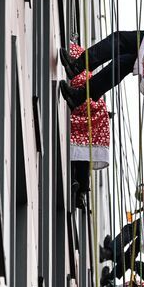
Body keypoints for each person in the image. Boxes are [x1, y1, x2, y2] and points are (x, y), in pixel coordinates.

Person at [63, 42, 111, 209]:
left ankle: (76, 183)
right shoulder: (89, 74)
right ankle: (82, 190)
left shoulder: (78, 68)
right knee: (85, 153)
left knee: (78, 148)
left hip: (86, 108)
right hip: (96, 113)